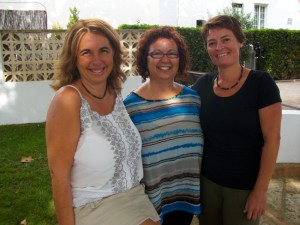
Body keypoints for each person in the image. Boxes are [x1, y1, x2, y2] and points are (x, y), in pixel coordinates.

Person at [45, 18, 161, 225]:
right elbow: (58, 176)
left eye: (104, 50)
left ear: (114, 54)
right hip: (93, 205)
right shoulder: (68, 100)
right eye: (86, 52)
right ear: (74, 58)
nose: (97, 60)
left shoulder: (114, 93)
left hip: (135, 197)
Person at [192, 15, 282, 225]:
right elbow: (176, 103)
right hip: (207, 185)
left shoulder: (261, 83)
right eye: (211, 43)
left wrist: (260, 191)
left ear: (240, 41)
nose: (219, 47)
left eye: (226, 39)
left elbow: (272, 140)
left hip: (244, 189)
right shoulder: (202, 85)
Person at [124, 26, 204, 225]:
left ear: (180, 59)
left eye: (172, 53)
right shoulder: (131, 107)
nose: (165, 59)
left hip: (186, 196)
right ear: (145, 59)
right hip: (151, 204)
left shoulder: (193, 99)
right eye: (157, 53)